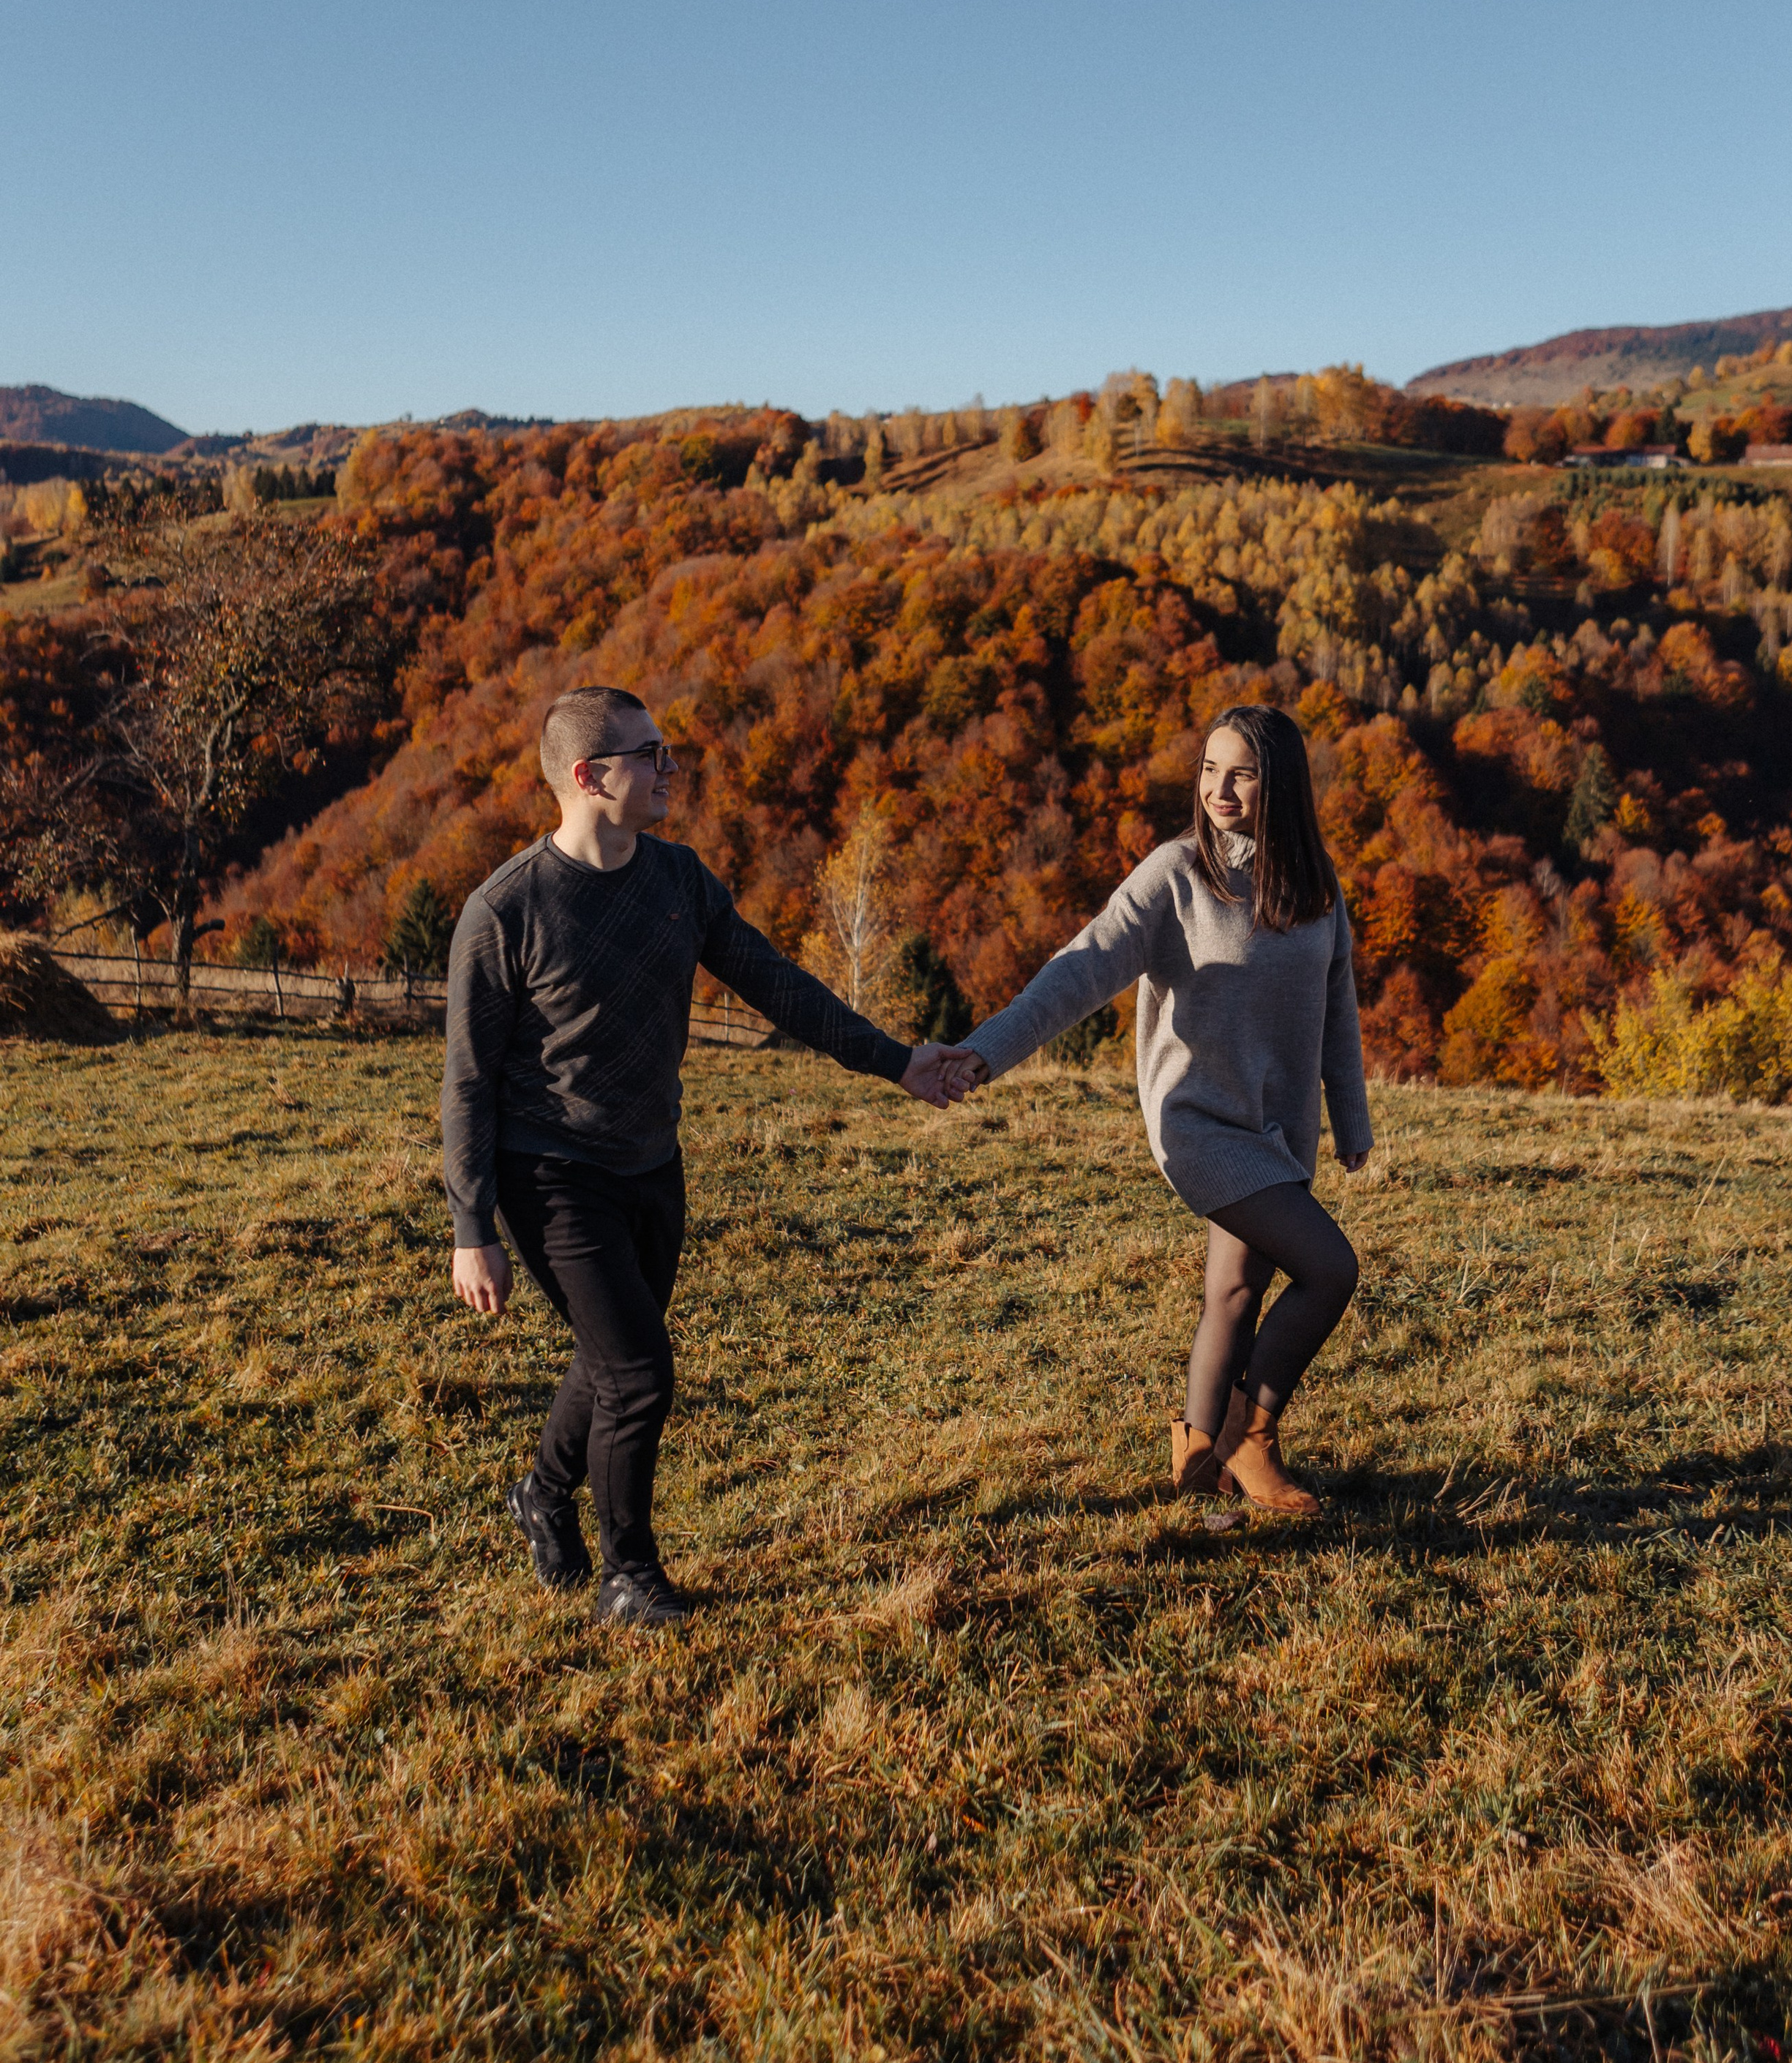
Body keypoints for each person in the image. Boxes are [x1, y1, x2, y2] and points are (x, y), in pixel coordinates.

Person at [443, 683, 965, 1628]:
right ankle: (628, 1577)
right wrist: (471, 1228)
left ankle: (540, 1493)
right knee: (640, 1372)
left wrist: (897, 1064)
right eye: (650, 754)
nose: (670, 768)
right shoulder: (505, 912)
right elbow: (469, 1081)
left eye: (666, 751)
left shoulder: (678, 878)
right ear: (588, 776)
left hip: (652, 1160)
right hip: (549, 1170)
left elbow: (777, 984)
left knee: (612, 1355)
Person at [942, 704, 1371, 1518]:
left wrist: (1350, 1124)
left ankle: (1194, 1465)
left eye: (1240, 772)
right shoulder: (1175, 875)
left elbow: (1335, 1009)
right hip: (1200, 1121)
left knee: (1236, 1292)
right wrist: (985, 1051)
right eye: (1209, 769)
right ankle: (1252, 1439)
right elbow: (1081, 969)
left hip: (1279, 1127)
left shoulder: (1313, 884)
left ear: (1279, 782)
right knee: (1328, 1268)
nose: (1220, 788)